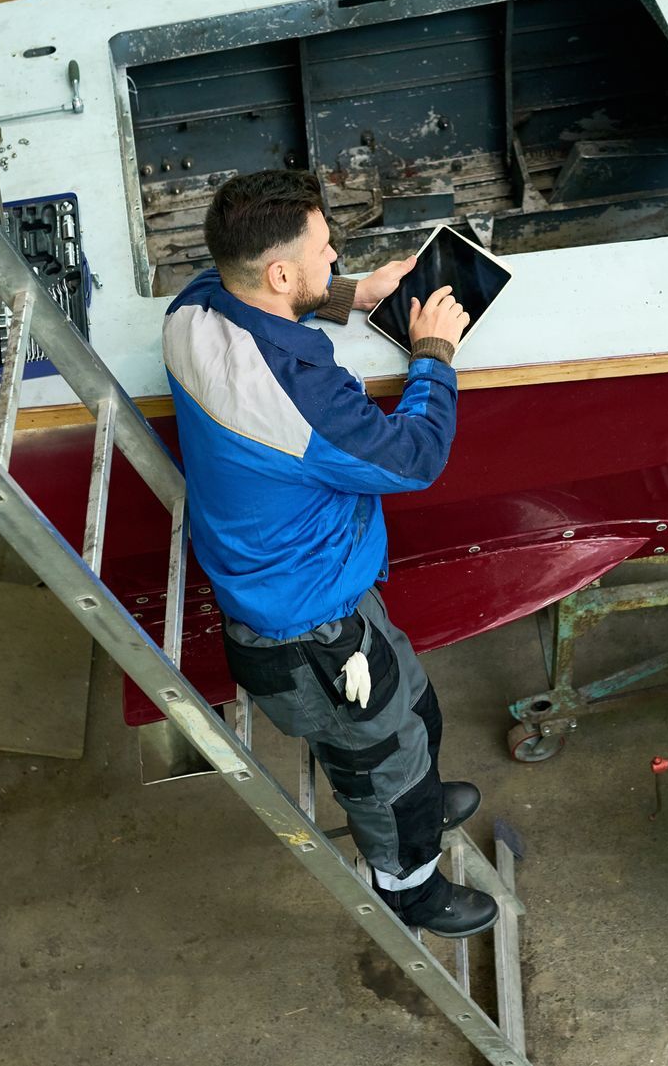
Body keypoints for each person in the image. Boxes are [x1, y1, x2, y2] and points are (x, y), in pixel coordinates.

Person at [161, 169, 497, 938]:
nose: (336, 252)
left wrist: (348, 294)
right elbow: (410, 458)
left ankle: (417, 796)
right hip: (313, 635)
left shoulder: (193, 312)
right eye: (325, 250)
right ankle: (408, 885)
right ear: (279, 273)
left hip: (306, 597)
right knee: (381, 766)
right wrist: (434, 354)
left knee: (415, 709)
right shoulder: (300, 395)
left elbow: (231, 290)